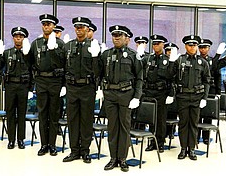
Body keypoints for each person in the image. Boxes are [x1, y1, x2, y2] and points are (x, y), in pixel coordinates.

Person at [99, 25, 143, 172]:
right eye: (114, 35)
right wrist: (100, 89)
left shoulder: (133, 55)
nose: (116, 37)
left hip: (126, 95)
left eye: (119, 35)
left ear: (127, 38)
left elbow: (139, 78)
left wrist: (137, 97)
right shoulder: (106, 54)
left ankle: (122, 158)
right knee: (112, 127)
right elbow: (99, 73)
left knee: (124, 127)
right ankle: (113, 158)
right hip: (110, 95)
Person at [25, 14, 65, 156]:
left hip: (55, 81)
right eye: (44, 24)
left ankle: (52, 145)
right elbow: (29, 64)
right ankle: (43, 144)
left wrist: (64, 85)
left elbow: (65, 65)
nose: (46, 26)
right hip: (41, 81)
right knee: (42, 114)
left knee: (54, 115)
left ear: (54, 26)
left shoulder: (60, 44)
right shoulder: (36, 43)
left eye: (49, 24)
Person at [62, 16, 100, 164]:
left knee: (86, 121)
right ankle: (74, 150)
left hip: (87, 88)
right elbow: (63, 66)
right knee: (72, 120)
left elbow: (98, 71)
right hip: (72, 88)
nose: (79, 29)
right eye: (77, 27)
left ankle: (85, 151)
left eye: (82, 27)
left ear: (87, 29)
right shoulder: (68, 46)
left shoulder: (93, 46)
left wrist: (96, 57)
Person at [171, 35, 211, 160]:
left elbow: (207, 81)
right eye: (190, 45)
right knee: (183, 123)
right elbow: (171, 77)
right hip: (182, 96)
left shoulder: (202, 62)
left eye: (194, 45)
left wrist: (204, 97)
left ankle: (192, 149)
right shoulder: (180, 60)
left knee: (193, 124)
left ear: (197, 47)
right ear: (185, 46)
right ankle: (183, 148)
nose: (192, 47)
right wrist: (172, 63)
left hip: (196, 97)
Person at [0, 27, 32, 149]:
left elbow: (32, 71)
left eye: (21, 36)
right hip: (10, 86)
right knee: (10, 113)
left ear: (24, 38)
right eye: (16, 36)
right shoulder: (7, 53)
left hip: (23, 86)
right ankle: (11, 139)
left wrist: (31, 89)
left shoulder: (28, 54)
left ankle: (21, 139)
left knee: (22, 114)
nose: (18, 38)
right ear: (13, 38)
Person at [143, 34, 174, 153]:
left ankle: (160, 142)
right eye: (154, 44)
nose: (156, 46)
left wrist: (171, 94)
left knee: (160, 119)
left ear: (163, 45)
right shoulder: (148, 59)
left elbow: (171, 79)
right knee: (151, 118)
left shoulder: (167, 60)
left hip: (162, 92)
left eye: (158, 44)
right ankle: (152, 141)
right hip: (149, 91)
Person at [197, 39, 225, 145]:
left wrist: (218, 92)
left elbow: (218, 77)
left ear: (208, 49)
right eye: (201, 47)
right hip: (199, 90)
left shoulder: (213, 61)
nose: (203, 50)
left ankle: (206, 137)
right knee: (198, 115)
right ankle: (196, 136)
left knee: (208, 115)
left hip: (211, 90)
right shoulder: (196, 59)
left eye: (205, 47)